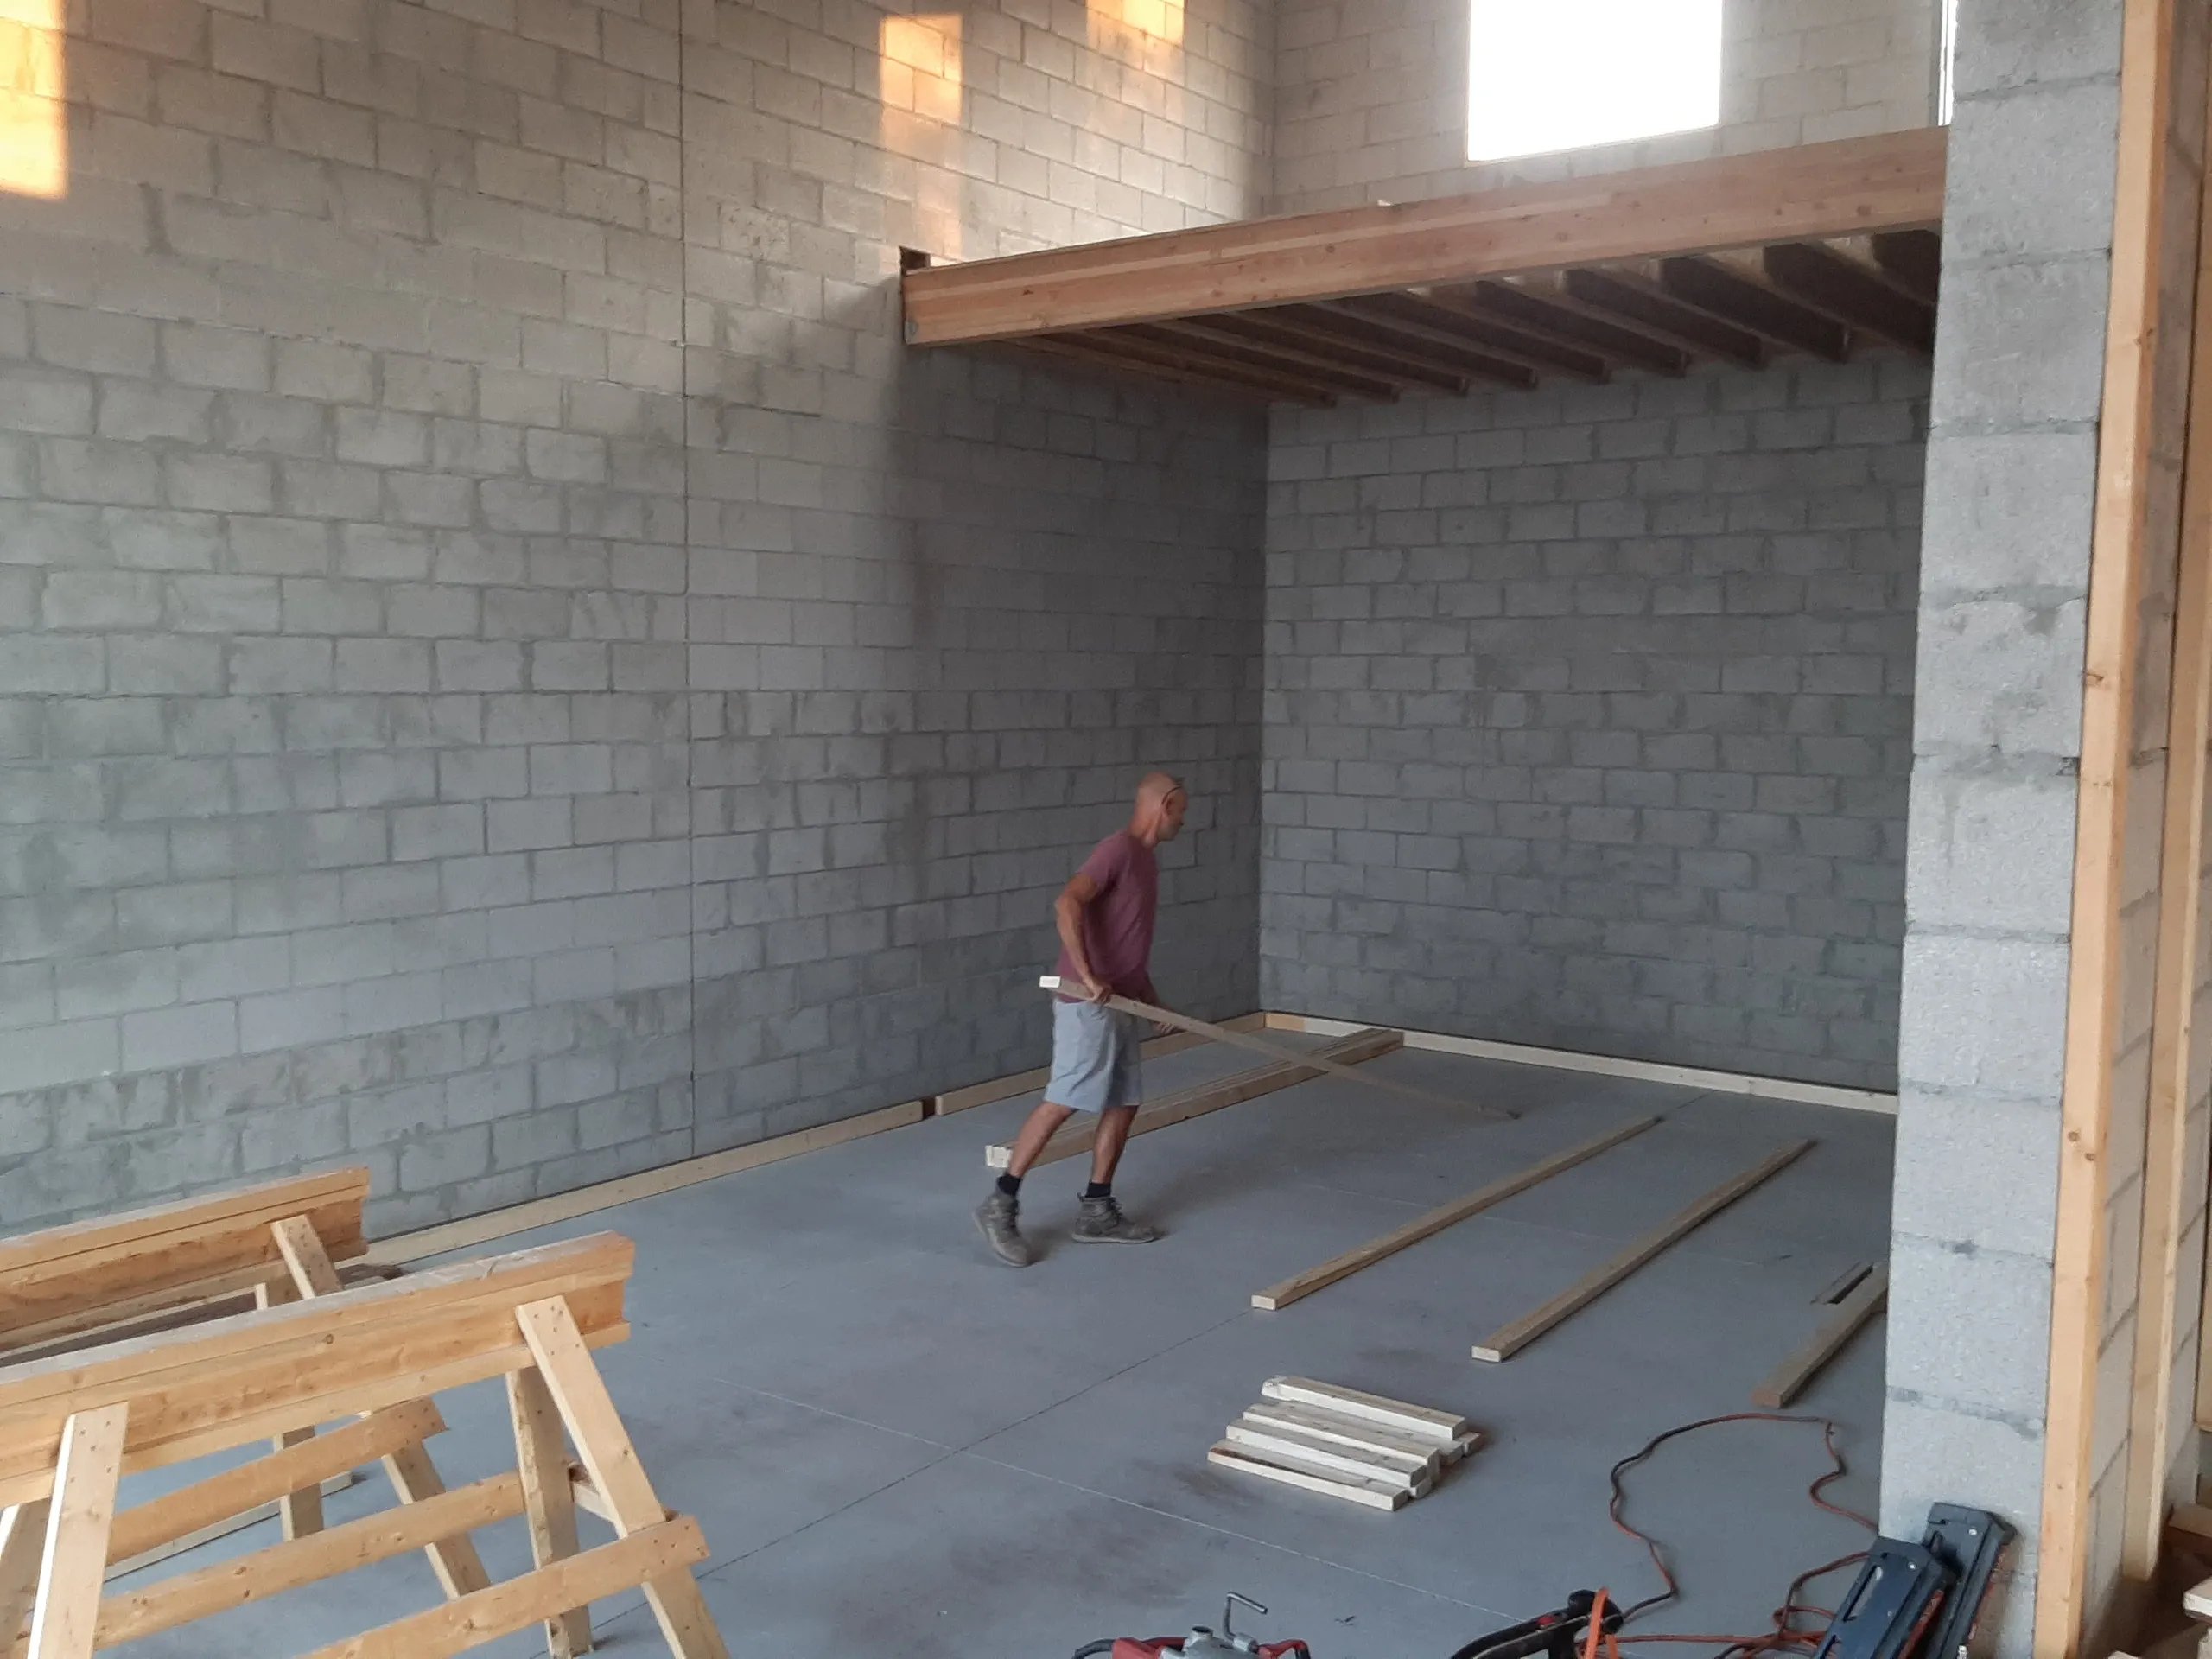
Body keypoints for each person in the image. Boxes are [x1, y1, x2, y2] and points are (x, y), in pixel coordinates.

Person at [974, 772, 1188, 1268]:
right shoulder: (1117, 849)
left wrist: (1154, 1003)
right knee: (1065, 1098)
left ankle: (1097, 1209)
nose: (1184, 822)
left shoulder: (1146, 863)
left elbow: (1129, 949)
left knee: (1124, 1101)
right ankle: (1000, 1201)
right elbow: (1067, 902)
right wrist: (1089, 976)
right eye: (1182, 811)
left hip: (1121, 1003)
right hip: (1086, 1003)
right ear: (1167, 805)